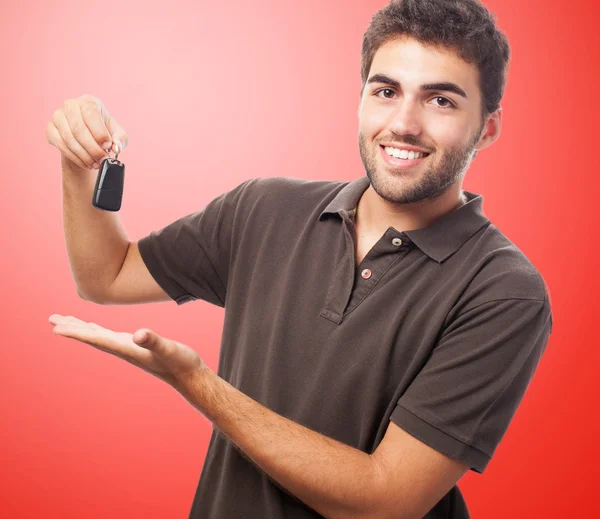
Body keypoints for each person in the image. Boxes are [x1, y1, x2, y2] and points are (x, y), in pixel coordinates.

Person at [45, 0, 553, 517]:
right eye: (385, 91)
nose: (403, 123)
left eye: (440, 101)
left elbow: (384, 503)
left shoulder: (503, 291)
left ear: (487, 129)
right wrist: (77, 161)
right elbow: (105, 275)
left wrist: (196, 382)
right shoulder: (264, 209)